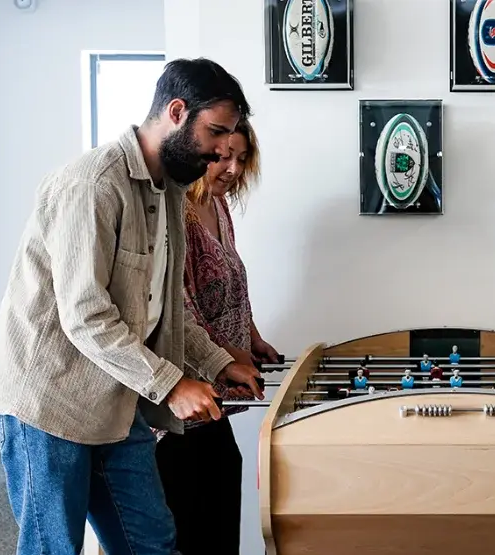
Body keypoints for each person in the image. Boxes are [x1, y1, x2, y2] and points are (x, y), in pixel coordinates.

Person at [0, 57, 264, 555]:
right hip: (46, 402)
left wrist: (220, 361)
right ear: (176, 112)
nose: (224, 150)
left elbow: (167, 308)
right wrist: (173, 384)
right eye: (217, 132)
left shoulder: (171, 193)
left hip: (116, 399)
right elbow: (86, 315)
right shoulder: (93, 183)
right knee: (53, 547)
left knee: (152, 544)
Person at [154, 116, 278, 555]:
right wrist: (229, 356)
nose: (233, 169)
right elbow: (179, 306)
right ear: (201, 151)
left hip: (218, 395)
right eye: (224, 157)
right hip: (181, 399)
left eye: (242, 159)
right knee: (190, 521)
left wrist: (254, 337)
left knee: (223, 493)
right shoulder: (176, 211)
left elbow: (232, 283)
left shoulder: (221, 208)